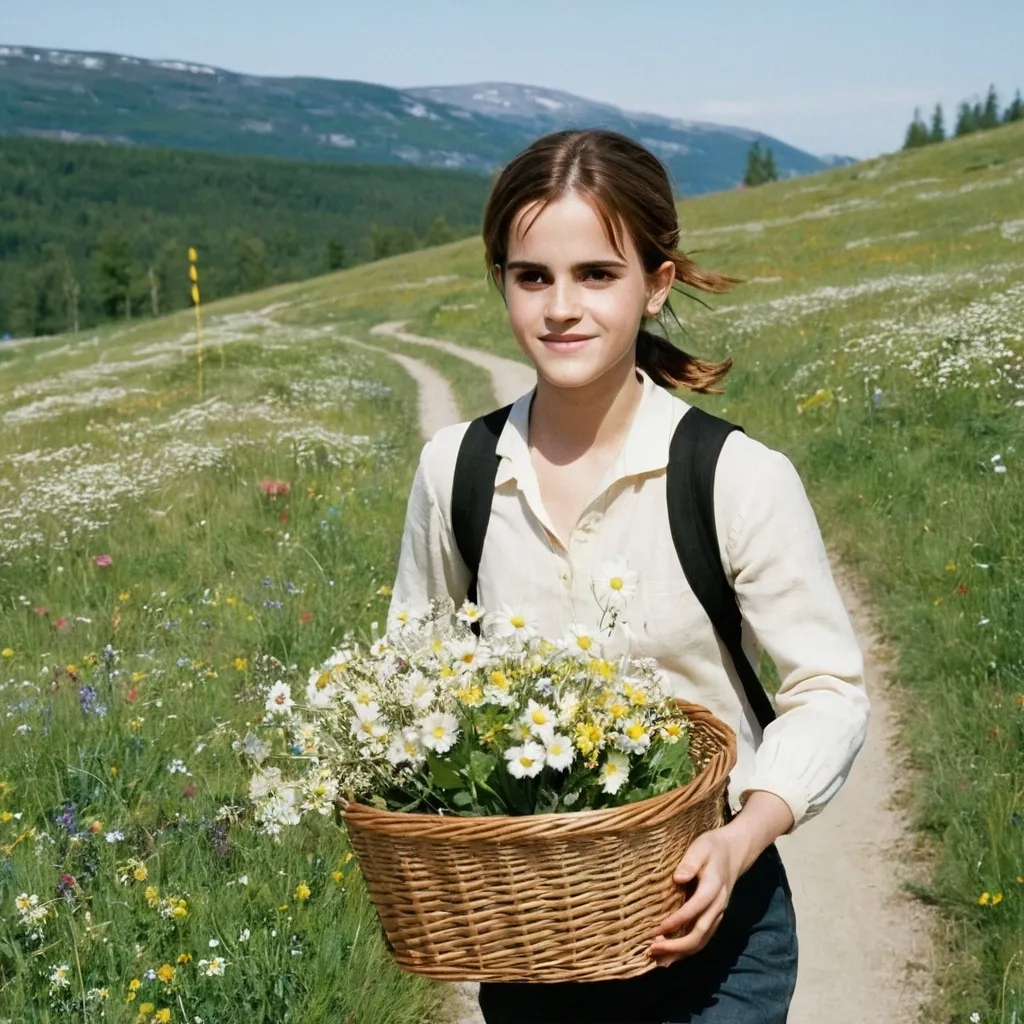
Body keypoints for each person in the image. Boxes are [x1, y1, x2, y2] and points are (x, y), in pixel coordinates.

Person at [387, 129, 870, 1023]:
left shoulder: (733, 477)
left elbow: (830, 687)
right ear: (501, 282)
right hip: (535, 941)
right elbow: (411, 673)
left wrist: (742, 837)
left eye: (597, 274)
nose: (560, 307)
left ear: (658, 282)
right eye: (531, 276)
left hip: (714, 927)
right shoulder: (455, 470)